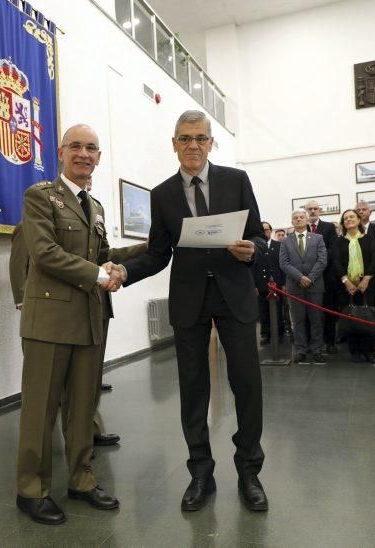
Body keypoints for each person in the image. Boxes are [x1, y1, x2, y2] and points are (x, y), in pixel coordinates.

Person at [117, 110, 268, 512]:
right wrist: (125, 272)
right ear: (174, 144)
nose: (193, 146)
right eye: (185, 138)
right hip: (189, 300)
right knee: (193, 388)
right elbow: (157, 253)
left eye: (200, 138)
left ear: (211, 142)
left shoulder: (236, 181)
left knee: (247, 385)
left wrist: (254, 250)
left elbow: (257, 234)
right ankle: (201, 472)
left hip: (234, 294)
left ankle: (249, 470)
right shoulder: (162, 194)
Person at [15, 124, 125, 525]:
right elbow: (44, 253)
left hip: (90, 321)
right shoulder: (40, 196)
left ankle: (81, 479)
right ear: (61, 152)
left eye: (92, 148)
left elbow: (107, 254)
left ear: (99, 156)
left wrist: (153, 246)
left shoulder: (94, 207)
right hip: (49, 322)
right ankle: (31, 489)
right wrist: (100, 275)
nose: (84, 153)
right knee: (40, 410)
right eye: (75, 146)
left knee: (83, 407)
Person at [332, 209, 375, 363]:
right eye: (345, 218)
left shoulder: (368, 239)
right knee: (351, 319)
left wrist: (366, 279)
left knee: (368, 318)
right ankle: (355, 352)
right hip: (346, 287)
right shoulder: (338, 242)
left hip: (368, 285)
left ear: (359, 220)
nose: (349, 220)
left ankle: (370, 351)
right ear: (343, 223)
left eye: (352, 217)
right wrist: (346, 281)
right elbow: (336, 262)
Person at [279, 209, 327, 365]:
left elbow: (322, 261)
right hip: (295, 286)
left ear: (307, 221)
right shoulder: (285, 241)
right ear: (292, 222)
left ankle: (317, 350)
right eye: (295, 218)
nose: (298, 219)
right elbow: (283, 263)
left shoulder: (318, 238)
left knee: (316, 319)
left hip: (315, 285)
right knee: (298, 320)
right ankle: (301, 350)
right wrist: (300, 278)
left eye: (301, 217)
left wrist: (310, 278)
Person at [305, 200, 338, 353]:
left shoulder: (329, 227)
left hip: (326, 275)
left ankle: (329, 341)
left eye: (315, 209)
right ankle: (311, 342)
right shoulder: (302, 228)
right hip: (306, 277)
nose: (312, 211)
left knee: (328, 309)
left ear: (320, 211)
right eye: (309, 209)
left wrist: (318, 265)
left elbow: (332, 250)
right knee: (308, 312)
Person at [253, 221, 285, 344]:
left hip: (277, 284)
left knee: (278, 310)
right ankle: (265, 334)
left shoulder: (279, 245)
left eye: (266, 230)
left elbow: (283, 265)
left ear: (270, 231)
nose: (264, 232)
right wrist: (254, 285)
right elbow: (252, 267)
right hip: (261, 284)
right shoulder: (254, 246)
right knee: (263, 311)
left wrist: (284, 283)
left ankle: (279, 333)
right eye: (261, 230)